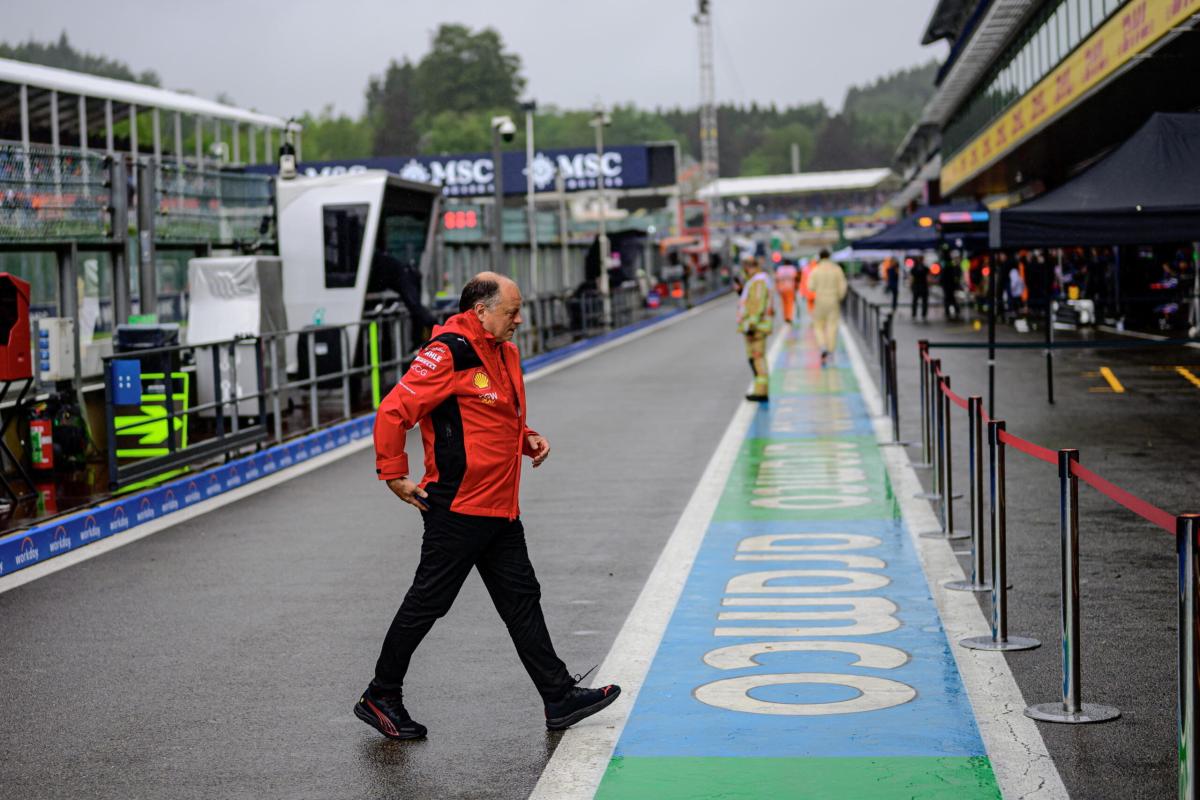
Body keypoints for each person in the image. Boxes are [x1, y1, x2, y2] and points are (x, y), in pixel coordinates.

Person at [359, 272, 621, 740]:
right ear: (481, 311)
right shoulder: (449, 352)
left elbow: (493, 416)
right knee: (428, 604)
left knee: (523, 601)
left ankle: (558, 696)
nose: (520, 319)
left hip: (500, 508)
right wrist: (393, 472)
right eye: (512, 311)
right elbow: (394, 411)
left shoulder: (505, 351)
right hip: (458, 509)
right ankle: (381, 694)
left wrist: (526, 438)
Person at [738, 255, 775, 402]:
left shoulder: (759, 281)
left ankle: (762, 392)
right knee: (754, 359)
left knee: (758, 358)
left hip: (757, 327)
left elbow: (757, 304)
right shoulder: (755, 281)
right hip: (755, 326)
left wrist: (751, 326)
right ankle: (759, 389)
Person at [807, 249, 848, 365]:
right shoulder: (836, 269)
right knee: (832, 325)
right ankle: (830, 350)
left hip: (820, 300)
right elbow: (843, 286)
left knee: (818, 325)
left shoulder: (816, 269)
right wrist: (839, 297)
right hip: (833, 299)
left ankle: (822, 346)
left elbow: (810, 286)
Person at [775, 259, 799, 325]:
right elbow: (796, 278)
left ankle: (785, 317)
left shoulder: (780, 269)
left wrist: (777, 288)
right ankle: (789, 317)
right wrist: (796, 287)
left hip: (782, 288)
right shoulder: (792, 269)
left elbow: (777, 279)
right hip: (790, 288)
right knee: (790, 303)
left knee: (784, 303)